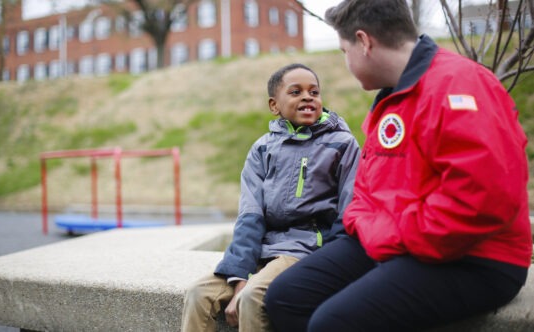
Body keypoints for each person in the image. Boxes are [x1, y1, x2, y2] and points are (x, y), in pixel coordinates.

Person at [264, 1, 533, 331]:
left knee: (333, 323)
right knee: (285, 297)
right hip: (399, 239)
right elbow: (368, 189)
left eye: (344, 50)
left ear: (364, 42)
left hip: (477, 257)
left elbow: (481, 202)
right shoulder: (394, 95)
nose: (345, 61)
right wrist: (370, 229)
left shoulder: (459, 85)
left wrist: (387, 236)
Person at [180, 63, 360, 332]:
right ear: (274, 105)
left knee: (253, 297)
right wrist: (239, 274)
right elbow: (250, 216)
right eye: (296, 92)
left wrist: (330, 266)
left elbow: (350, 210)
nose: (308, 97)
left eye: (314, 92)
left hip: (305, 249)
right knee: (198, 294)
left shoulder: (342, 144)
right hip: (264, 249)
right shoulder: (262, 148)